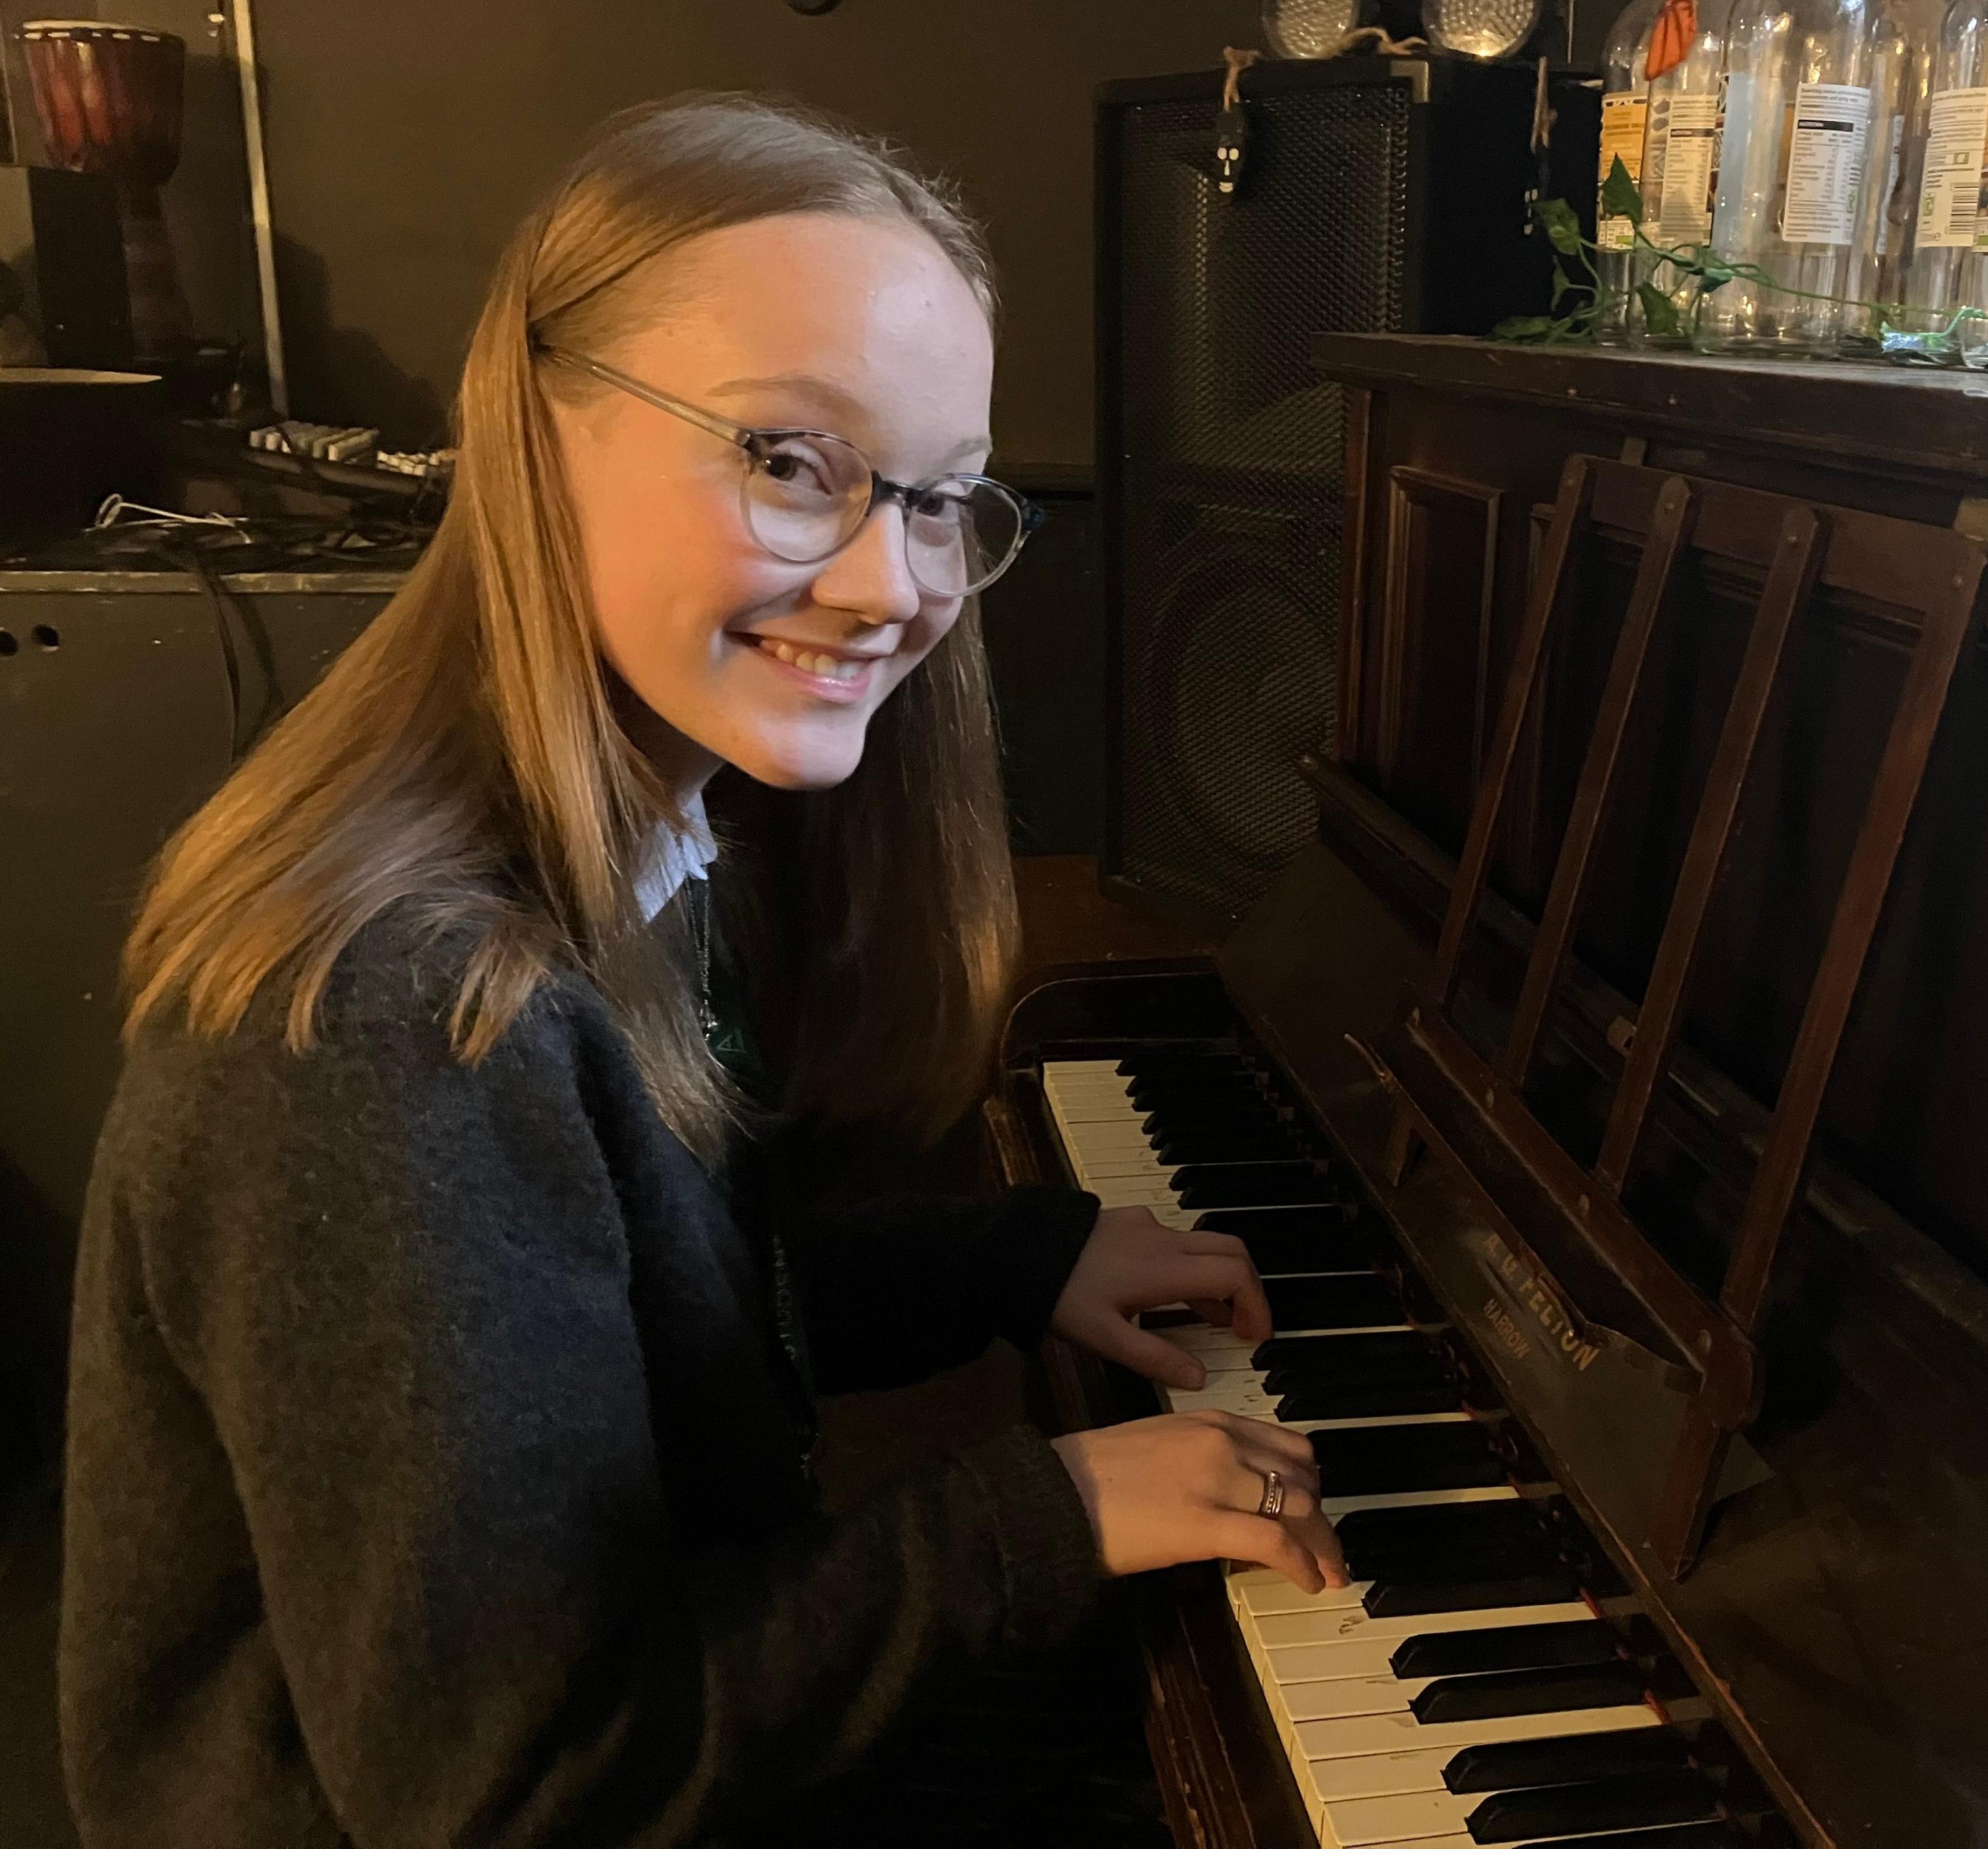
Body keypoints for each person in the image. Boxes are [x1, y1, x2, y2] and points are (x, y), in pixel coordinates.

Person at [58, 92, 1346, 1848]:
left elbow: (629, 1306)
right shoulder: (394, 1028)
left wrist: (1013, 1254)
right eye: (792, 461)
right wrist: (1037, 1516)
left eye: (950, 499)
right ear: (537, 433)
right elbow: (514, 1787)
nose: (897, 582)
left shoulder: (639, 840)